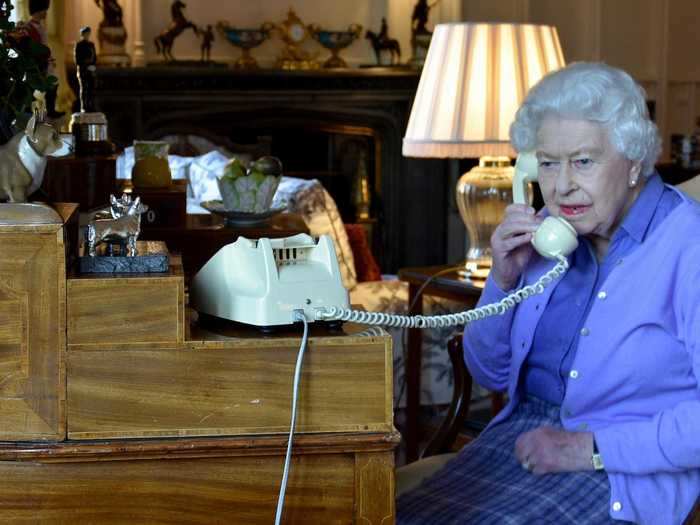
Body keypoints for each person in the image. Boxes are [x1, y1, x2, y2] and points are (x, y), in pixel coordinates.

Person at [396, 62, 700, 524]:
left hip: (617, 470)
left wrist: (588, 449)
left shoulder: (687, 246)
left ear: (635, 160)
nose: (560, 187)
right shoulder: (550, 240)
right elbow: (489, 372)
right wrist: (502, 278)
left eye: (583, 161)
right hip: (516, 444)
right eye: (549, 163)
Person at [22, 0, 63, 119]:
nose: (46, 13)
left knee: (53, 84)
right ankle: (29, 108)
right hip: (37, 63)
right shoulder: (28, 27)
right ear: (39, 10)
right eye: (45, 10)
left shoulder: (40, 26)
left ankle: (50, 109)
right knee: (32, 86)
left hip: (44, 62)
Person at [74, 27, 97, 113]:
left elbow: (94, 57)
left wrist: (92, 65)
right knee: (84, 89)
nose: (87, 35)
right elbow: (77, 59)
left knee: (91, 89)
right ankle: (84, 106)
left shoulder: (91, 45)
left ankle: (90, 106)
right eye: (86, 33)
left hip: (90, 70)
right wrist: (86, 65)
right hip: (83, 70)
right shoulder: (79, 45)